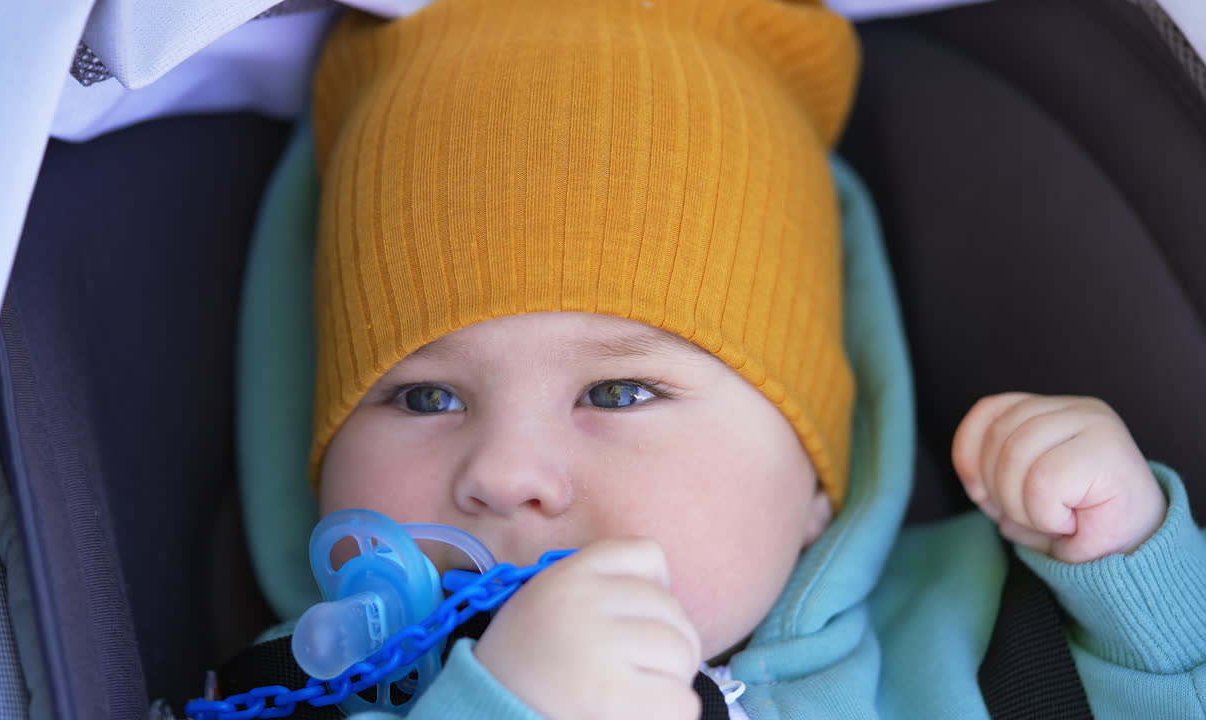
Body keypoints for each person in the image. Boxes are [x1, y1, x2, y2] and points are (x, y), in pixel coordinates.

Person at [304, 0, 1206, 717]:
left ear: (817, 471)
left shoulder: (979, 637)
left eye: (616, 390)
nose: (504, 474)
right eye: (423, 397)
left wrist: (1137, 589)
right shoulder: (298, 690)